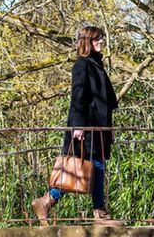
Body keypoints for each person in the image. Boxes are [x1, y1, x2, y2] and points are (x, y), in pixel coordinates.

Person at [32, 24, 121, 226]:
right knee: (92, 166)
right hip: (86, 128)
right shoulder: (82, 65)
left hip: (98, 130)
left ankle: (46, 202)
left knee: (92, 167)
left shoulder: (96, 65)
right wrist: (78, 126)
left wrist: (110, 130)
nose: (101, 42)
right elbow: (78, 98)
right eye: (97, 39)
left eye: (102, 38)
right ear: (87, 42)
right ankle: (99, 213)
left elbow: (105, 103)